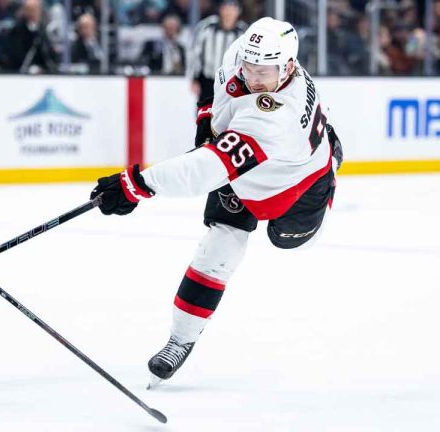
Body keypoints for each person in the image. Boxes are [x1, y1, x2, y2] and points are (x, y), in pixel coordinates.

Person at [90, 17, 343, 388]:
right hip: (244, 178)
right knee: (217, 251)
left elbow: (206, 168)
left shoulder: (277, 118)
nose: (253, 76)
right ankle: (180, 340)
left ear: (288, 68)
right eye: (250, 66)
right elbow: (219, 89)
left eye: (264, 70)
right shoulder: (242, 53)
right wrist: (205, 119)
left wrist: (136, 184)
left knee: (286, 239)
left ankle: (333, 162)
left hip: (299, 186)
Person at [189, 0, 248, 103]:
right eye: (226, 7)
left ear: (239, 11)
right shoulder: (207, 27)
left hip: (232, 81)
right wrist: (194, 78)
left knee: (228, 114)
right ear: (220, 9)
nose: (229, 11)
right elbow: (195, 52)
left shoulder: (243, 32)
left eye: (233, 8)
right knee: (205, 114)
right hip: (208, 80)